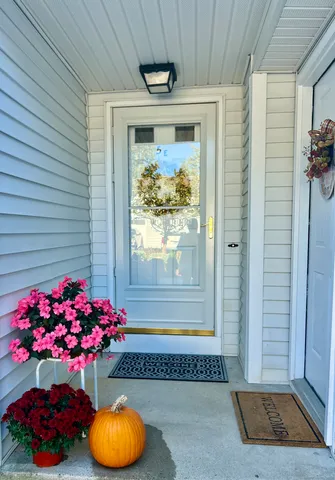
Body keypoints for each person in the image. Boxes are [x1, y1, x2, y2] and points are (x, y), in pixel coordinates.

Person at [176, 218, 199, 285]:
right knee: (197, 282)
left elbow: (178, 248)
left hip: (186, 263)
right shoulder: (200, 236)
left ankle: (186, 294)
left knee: (186, 282)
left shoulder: (184, 236)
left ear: (188, 227)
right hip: (197, 262)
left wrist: (178, 266)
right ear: (197, 226)